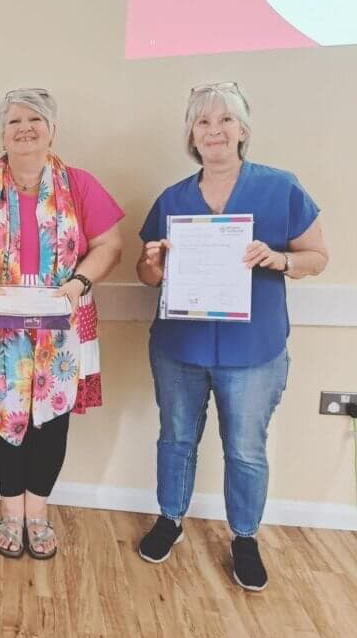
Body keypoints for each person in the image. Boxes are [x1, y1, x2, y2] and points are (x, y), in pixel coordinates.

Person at [136, 82, 328, 591]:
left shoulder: (281, 187)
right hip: (179, 347)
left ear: (243, 129)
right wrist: (152, 264)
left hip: (254, 351)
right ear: (191, 135)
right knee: (175, 438)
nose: (214, 130)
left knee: (245, 449)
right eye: (202, 122)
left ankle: (244, 536)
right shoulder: (173, 198)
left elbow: (317, 257)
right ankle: (170, 518)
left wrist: (279, 259)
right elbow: (147, 274)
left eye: (225, 120)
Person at [0, 89, 123, 560]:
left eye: (35, 120)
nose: (24, 128)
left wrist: (79, 282)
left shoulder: (79, 184)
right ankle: (10, 513)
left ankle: (37, 514)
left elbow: (110, 244)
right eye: (14, 121)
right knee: (2, 417)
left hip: (61, 323)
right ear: (2, 134)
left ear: (52, 130)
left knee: (51, 421)